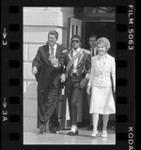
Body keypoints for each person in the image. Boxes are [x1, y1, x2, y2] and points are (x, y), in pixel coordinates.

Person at [32, 30, 66, 134]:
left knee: (50, 102)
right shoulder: (42, 49)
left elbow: (64, 63)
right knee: (43, 103)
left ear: (56, 39)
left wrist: (58, 66)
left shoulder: (62, 50)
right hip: (43, 80)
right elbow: (37, 60)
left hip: (55, 81)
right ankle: (54, 125)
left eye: (53, 38)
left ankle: (42, 123)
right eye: (49, 38)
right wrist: (34, 67)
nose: (50, 40)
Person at [59, 35, 91, 136]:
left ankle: (73, 127)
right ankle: (75, 127)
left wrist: (86, 78)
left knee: (74, 102)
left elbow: (89, 67)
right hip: (69, 80)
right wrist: (61, 70)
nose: (74, 43)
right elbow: (61, 65)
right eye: (72, 41)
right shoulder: (66, 53)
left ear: (80, 43)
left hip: (78, 80)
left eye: (76, 41)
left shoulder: (85, 53)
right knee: (69, 102)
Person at [87, 37, 116, 138]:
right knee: (95, 108)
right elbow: (92, 74)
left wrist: (115, 86)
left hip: (107, 86)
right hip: (96, 85)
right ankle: (95, 130)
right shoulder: (94, 59)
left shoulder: (111, 59)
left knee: (106, 109)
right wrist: (89, 85)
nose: (100, 49)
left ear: (106, 48)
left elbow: (114, 74)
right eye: (99, 47)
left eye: (102, 47)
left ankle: (104, 129)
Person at [87, 34, 98, 130]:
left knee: (99, 102)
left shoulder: (101, 51)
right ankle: (91, 123)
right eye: (91, 40)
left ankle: (99, 123)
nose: (92, 42)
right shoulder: (86, 52)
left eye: (94, 40)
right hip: (88, 80)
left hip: (99, 81)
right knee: (90, 101)